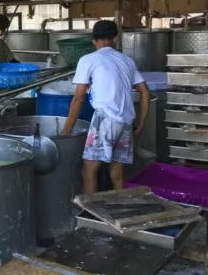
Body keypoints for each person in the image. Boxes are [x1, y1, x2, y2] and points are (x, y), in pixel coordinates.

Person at [61, 20, 151, 193]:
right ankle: (120, 209)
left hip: (106, 119)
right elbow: (145, 92)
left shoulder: (88, 60)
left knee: (89, 170)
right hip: (125, 120)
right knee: (116, 174)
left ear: (93, 40)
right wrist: (141, 122)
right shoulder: (127, 60)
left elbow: (78, 98)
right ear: (115, 39)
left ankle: (90, 215)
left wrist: (66, 131)